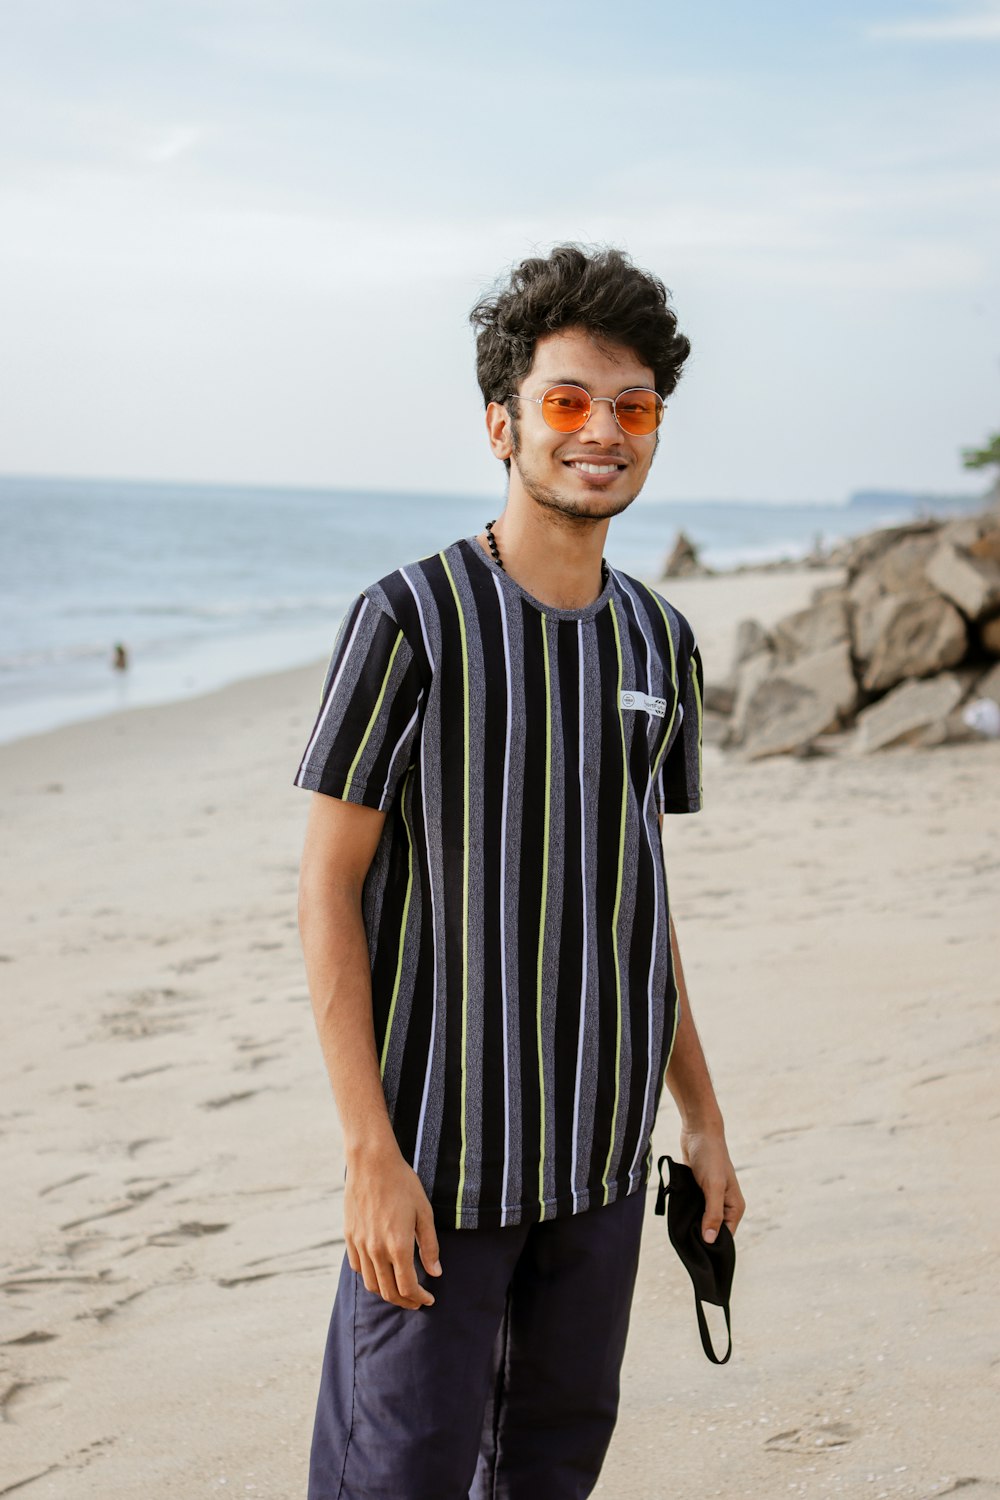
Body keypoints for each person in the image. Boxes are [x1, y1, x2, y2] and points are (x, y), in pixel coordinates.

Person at [294, 244, 745, 1500]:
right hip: (437, 1161)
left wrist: (698, 1120)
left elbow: (636, 898)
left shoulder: (663, 638)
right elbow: (327, 890)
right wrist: (365, 1156)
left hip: (600, 1163)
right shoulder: (410, 618)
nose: (602, 432)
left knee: (551, 1470)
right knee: (398, 1477)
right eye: (567, 402)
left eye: (633, 407)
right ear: (503, 422)